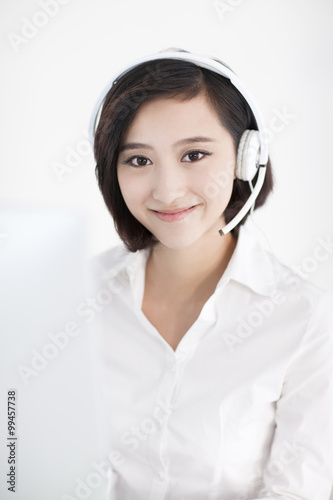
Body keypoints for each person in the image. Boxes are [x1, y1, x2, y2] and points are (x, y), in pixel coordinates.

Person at [88, 48, 333, 500]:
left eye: (194, 154)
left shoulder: (305, 319)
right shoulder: (77, 295)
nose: (167, 190)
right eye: (138, 160)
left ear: (246, 158)